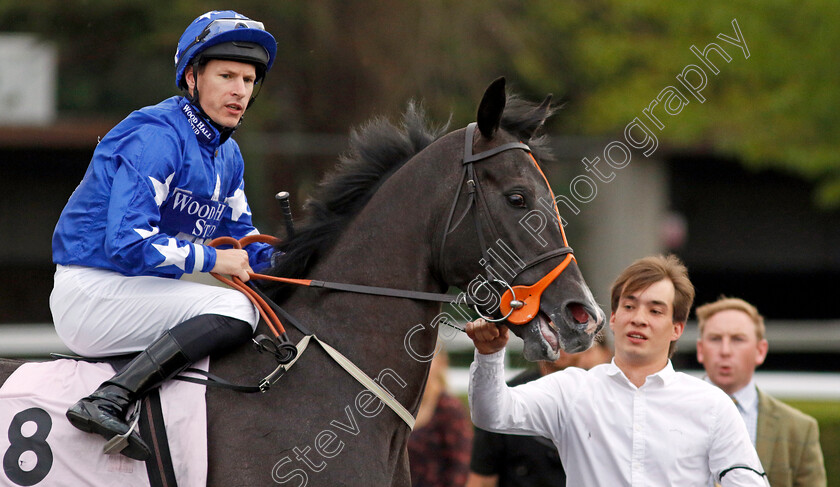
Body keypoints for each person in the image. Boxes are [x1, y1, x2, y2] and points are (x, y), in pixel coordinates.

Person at [50, 10, 278, 461]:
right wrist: (214, 262)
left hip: (142, 289)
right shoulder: (156, 135)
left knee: (265, 305)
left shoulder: (227, 155)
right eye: (227, 76)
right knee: (235, 307)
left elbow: (245, 242)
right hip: (92, 290)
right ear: (192, 76)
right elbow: (129, 243)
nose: (240, 91)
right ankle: (108, 399)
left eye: (249, 80)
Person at [466, 254, 769, 486]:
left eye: (655, 310)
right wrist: (489, 354)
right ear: (612, 318)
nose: (638, 318)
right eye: (629, 306)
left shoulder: (712, 405)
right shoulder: (571, 389)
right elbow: (491, 413)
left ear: (676, 328)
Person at [696, 297, 827, 487]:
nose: (725, 350)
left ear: (760, 350)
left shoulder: (799, 429)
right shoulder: (670, 412)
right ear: (700, 350)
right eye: (715, 339)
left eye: (737, 339)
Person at [466, 335, 612, 487]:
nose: (561, 339)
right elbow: (482, 479)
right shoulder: (507, 399)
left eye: (570, 329)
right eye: (551, 329)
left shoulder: (605, 397)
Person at [408, 348, 473, 487]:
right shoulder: (401, 407)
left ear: (441, 363)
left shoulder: (449, 409)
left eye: (426, 358)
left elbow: (461, 467)